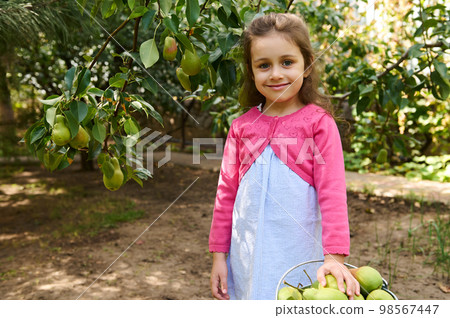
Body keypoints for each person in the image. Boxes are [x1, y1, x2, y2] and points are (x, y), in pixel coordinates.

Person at [209, 12, 360, 300]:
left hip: (298, 252)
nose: (276, 73)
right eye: (264, 65)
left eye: (287, 62)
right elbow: (225, 195)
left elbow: (332, 194)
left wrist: (334, 258)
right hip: (246, 258)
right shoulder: (241, 127)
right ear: (252, 73)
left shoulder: (318, 124)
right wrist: (219, 256)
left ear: (307, 66)